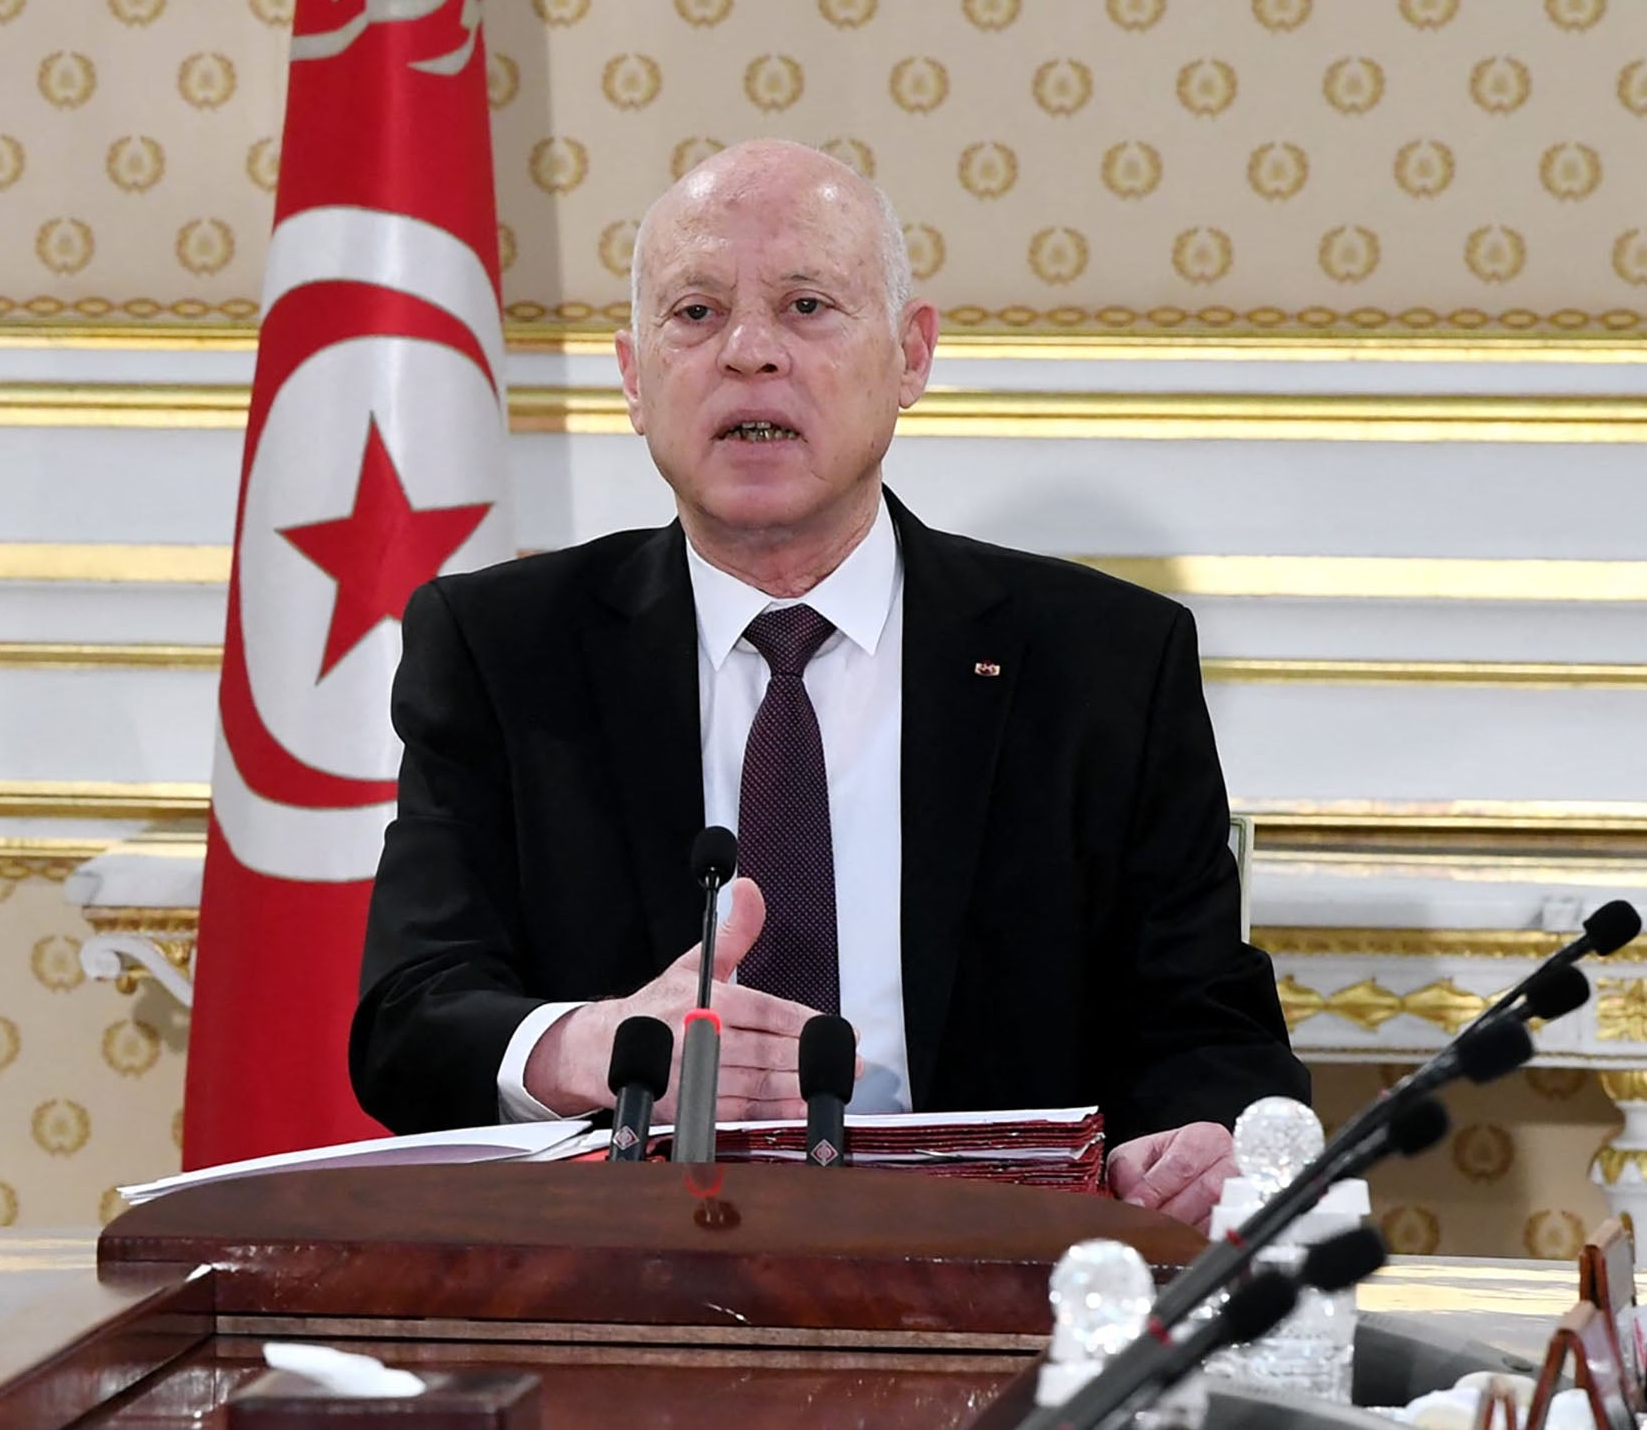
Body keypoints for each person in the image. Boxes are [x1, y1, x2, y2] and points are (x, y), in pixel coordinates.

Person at [351, 139, 1307, 1225]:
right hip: (625, 1281)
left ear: (910, 354)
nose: (749, 353)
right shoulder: (502, 649)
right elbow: (410, 1019)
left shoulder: (1100, 661)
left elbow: (1210, 1034)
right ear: (631, 374)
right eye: (695, 313)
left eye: (807, 305)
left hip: (997, 1281)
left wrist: (1200, 1141)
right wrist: (603, 1043)